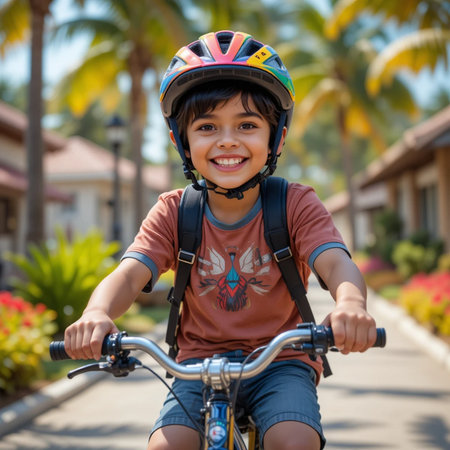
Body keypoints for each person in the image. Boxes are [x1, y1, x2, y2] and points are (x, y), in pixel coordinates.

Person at [64, 31, 377, 450]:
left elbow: (337, 263)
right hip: (196, 365)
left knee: (294, 440)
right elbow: (129, 272)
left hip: (281, 363)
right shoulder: (175, 211)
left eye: (247, 125)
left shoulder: (295, 204)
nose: (227, 140)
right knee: (166, 445)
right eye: (207, 126)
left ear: (276, 137)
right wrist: (97, 312)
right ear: (181, 141)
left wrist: (351, 305)